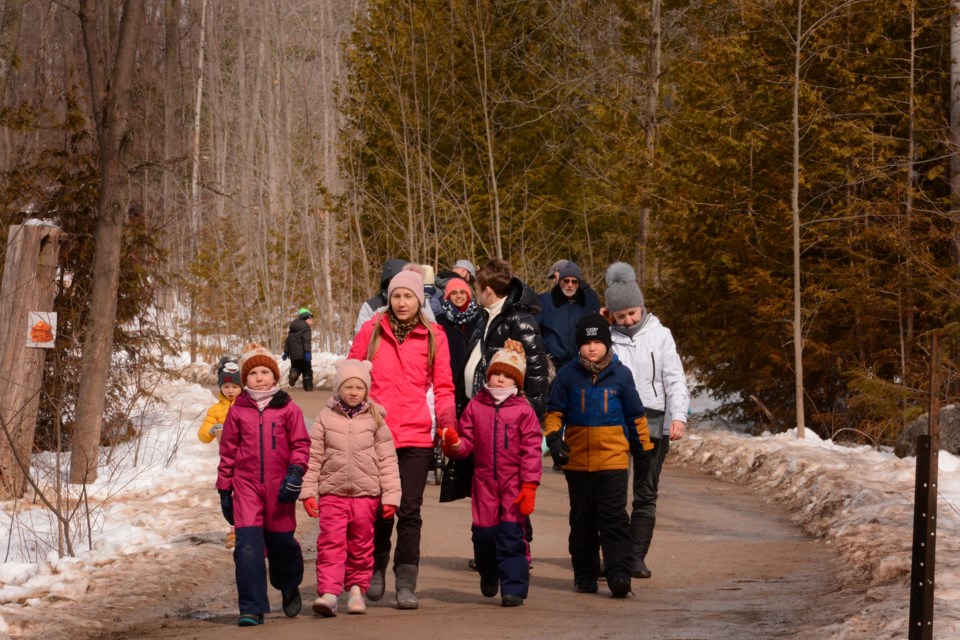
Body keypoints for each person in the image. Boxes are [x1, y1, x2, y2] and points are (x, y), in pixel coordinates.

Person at [348, 265, 457, 610]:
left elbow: (444, 386)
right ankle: (376, 568)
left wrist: (448, 425)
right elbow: (352, 374)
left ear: (418, 299)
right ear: (389, 298)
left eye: (408, 295)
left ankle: (406, 581)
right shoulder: (371, 330)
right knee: (380, 507)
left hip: (415, 435)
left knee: (409, 510)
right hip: (376, 434)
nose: (401, 301)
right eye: (396, 295)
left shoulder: (434, 336)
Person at [544, 314, 654, 598]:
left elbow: (636, 415)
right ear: (579, 345)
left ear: (607, 344)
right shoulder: (568, 375)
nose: (592, 348)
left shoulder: (621, 375)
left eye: (597, 342)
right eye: (586, 343)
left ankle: (619, 574)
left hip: (613, 461)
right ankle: (585, 574)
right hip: (578, 462)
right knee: (582, 520)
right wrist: (554, 438)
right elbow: (554, 412)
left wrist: (643, 449)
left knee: (614, 519)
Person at [603, 262, 690, 580]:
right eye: (620, 315)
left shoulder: (661, 335)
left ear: (641, 308)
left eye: (632, 313)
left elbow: (675, 378)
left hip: (654, 421)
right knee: (611, 493)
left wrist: (677, 416)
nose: (627, 320)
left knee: (645, 491)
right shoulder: (606, 338)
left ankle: (635, 557)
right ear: (611, 314)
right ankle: (614, 555)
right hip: (614, 422)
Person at [216, 343, 311, 626]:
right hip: (245, 487)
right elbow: (228, 450)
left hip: (279, 487)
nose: (259, 377)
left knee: (281, 543)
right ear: (245, 380)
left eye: (264, 372)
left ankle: (288, 583)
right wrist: (224, 487)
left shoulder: (288, 408)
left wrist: (295, 472)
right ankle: (251, 607)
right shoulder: (238, 411)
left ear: (274, 377)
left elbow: (301, 444)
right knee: (247, 547)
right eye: (253, 373)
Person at [442, 340, 543, 607]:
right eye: (496, 374)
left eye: (507, 376)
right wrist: (454, 445)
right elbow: (467, 443)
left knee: (511, 534)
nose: (499, 380)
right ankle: (488, 572)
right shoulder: (476, 406)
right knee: (485, 535)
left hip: (514, 483)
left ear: (517, 381)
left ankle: (514, 588)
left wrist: (529, 485)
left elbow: (532, 451)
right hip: (484, 482)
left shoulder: (524, 411)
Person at [300, 359, 402, 617]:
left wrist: (391, 496)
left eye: (359, 387)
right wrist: (308, 491)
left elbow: (388, 460)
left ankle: (356, 591)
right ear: (338, 389)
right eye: (348, 387)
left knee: (360, 545)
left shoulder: (376, 419)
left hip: (366, 496)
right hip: (332, 494)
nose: (354, 392)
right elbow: (312, 458)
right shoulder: (325, 418)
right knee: (330, 543)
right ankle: (330, 594)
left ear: (366, 390)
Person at [465, 259, 549, 421]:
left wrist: (532, 418)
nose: (478, 295)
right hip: (478, 408)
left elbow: (536, 374)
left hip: (505, 415)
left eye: (477, 289)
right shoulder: (484, 317)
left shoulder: (521, 321)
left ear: (488, 291)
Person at [199, 356, 242, 549]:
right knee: (226, 495)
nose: (230, 390)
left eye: (234, 386)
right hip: (227, 460)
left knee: (246, 495)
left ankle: (246, 529)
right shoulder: (215, 409)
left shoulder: (247, 406)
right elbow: (203, 435)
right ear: (220, 388)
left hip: (249, 459)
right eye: (226, 387)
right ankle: (234, 527)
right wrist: (211, 430)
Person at [535, 261, 600, 369]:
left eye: (574, 281)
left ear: (579, 283)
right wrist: (542, 355)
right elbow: (533, 332)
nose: (570, 285)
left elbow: (596, 333)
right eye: (566, 281)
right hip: (551, 365)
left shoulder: (590, 303)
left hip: (581, 365)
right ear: (559, 281)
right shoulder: (543, 301)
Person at [436, 276, 485, 417]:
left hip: (474, 376)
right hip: (451, 374)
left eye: (462, 292)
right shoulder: (440, 320)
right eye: (454, 293)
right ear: (448, 296)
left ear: (468, 294)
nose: (459, 296)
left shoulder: (479, 317)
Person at [354, 258, 408, 334]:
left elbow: (430, 329)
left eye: (402, 280)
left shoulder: (420, 302)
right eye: (394, 280)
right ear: (387, 282)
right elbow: (361, 337)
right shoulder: (371, 306)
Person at [283, 308, 314, 391]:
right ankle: (308, 386)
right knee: (307, 370)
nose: (311, 320)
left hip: (294, 355)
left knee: (296, 367)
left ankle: (294, 373)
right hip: (304, 354)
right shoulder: (306, 328)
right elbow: (306, 341)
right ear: (307, 318)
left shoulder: (293, 328)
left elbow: (288, 340)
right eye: (310, 318)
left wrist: (286, 352)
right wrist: (307, 352)